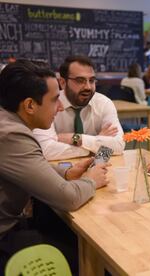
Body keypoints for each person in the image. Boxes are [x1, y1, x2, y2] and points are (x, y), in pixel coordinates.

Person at [0, 59, 109, 272]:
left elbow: (28, 165)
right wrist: (91, 180)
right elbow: (68, 198)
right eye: (54, 100)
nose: (59, 108)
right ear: (30, 105)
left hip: (14, 225)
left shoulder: (7, 121)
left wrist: (66, 171)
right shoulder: (11, 135)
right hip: (4, 236)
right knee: (93, 259)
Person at [33, 56, 125, 161]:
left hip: (96, 167)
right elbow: (46, 151)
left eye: (91, 80)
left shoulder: (103, 103)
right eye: (80, 80)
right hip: (59, 170)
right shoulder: (48, 104)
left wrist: (75, 138)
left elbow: (118, 145)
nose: (88, 87)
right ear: (62, 83)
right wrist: (94, 146)